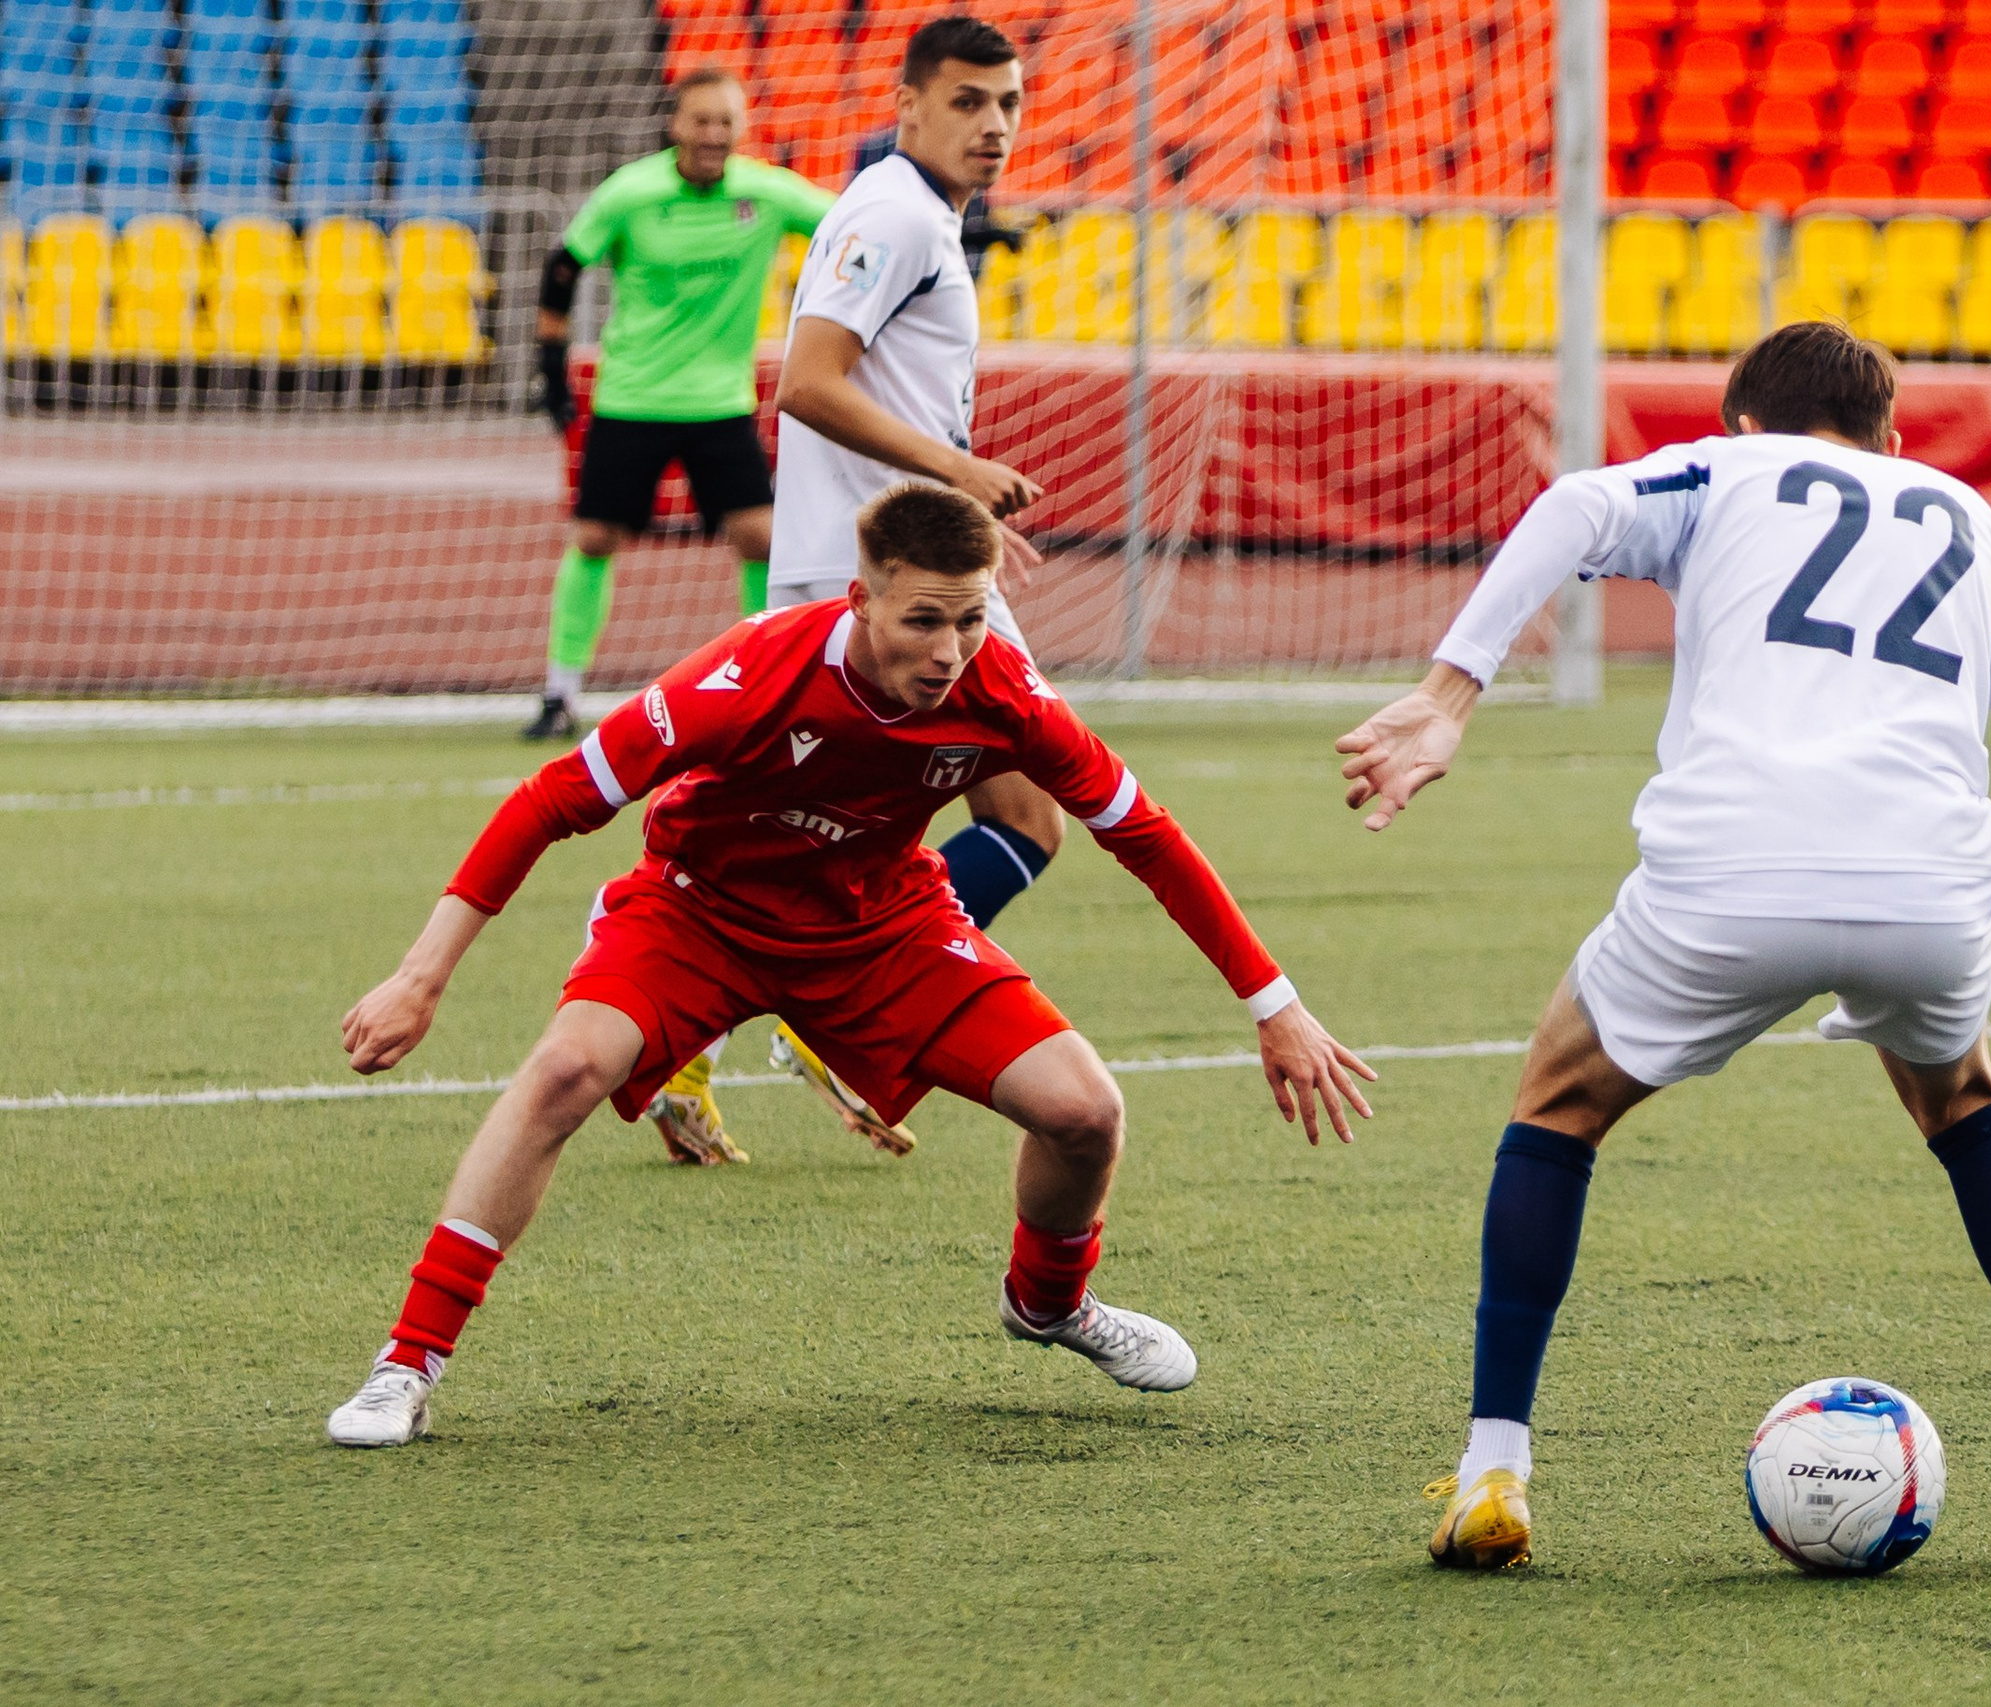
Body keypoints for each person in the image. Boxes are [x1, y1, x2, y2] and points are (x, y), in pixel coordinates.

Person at [1334, 321, 1991, 1569]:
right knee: (1963, 1099)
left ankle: (1492, 1473)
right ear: (1891, 440)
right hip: (1930, 887)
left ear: (1742, 421)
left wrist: (1448, 692)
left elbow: (1576, 503)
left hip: (1728, 870)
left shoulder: (1723, 473)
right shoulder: (1971, 521)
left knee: (1556, 1105)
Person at [325, 484, 1376, 1448]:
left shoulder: (1002, 690)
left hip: (883, 927)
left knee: (1086, 1113)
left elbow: (1145, 834)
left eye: (970, 618)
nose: (949, 648)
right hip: (698, 915)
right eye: (922, 619)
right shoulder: (745, 676)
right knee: (561, 1073)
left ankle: (1048, 1303)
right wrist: (422, 975)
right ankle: (405, 1364)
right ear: (859, 599)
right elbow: (549, 800)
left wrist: (1273, 1005)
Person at [644, 17, 1063, 1165]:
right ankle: (819, 1020)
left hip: (904, 567)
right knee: (1016, 816)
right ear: (910, 102)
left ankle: (719, 1037)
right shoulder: (889, 213)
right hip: (870, 582)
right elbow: (810, 385)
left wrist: (958, 507)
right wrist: (959, 471)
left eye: (1010, 104)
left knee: (825, 834)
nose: (994, 125)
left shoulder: (915, 216)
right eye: (970, 101)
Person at [521, 67, 838, 744]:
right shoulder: (632, 192)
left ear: (742, 129)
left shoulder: (767, 193)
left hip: (719, 403)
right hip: (631, 397)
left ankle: (759, 685)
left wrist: (960, 234)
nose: (714, 135)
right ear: (675, 126)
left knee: (762, 538)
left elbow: (854, 230)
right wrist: (551, 368)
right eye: (702, 121)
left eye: (727, 123)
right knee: (596, 539)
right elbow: (562, 268)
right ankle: (559, 692)